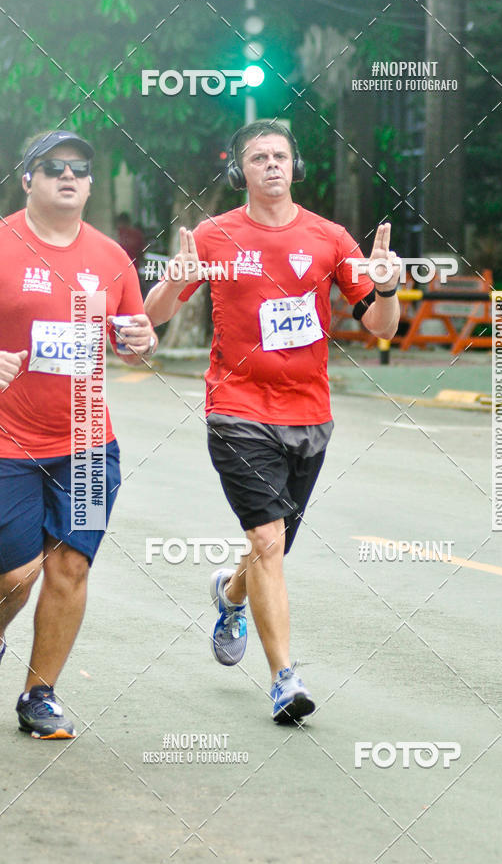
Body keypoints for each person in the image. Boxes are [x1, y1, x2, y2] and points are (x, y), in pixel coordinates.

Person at [145, 121, 400, 724]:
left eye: (280, 156)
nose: (271, 166)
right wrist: (171, 283)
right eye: (257, 158)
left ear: (296, 166)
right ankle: (285, 679)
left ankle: (229, 596)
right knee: (267, 541)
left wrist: (388, 289)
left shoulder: (330, 238)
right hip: (237, 412)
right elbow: (153, 316)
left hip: (310, 414)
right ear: (240, 171)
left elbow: (381, 327)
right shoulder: (214, 236)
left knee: (272, 546)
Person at [0, 129, 158, 739]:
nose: (69, 176)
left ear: (90, 184)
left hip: (89, 444)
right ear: (27, 179)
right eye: (53, 167)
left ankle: (40, 694)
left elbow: (131, 336)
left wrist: (142, 340)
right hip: (9, 441)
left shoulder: (112, 258)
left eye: (80, 168)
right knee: (15, 574)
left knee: (69, 569)